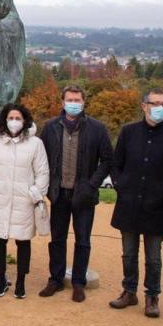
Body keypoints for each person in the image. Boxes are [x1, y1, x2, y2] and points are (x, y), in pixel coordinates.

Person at [108, 88, 163, 318]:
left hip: (156, 205)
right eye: (155, 103)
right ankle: (129, 291)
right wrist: (120, 185)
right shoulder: (128, 132)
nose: (160, 108)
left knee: (154, 256)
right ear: (144, 106)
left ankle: (152, 296)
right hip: (128, 202)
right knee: (129, 253)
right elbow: (115, 163)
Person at [38, 85, 114, 302]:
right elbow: (42, 158)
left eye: (77, 99)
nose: (73, 103)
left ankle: (79, 282)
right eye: (69, 99)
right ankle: (56, 279)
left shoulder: (97, 129)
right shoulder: (51, 126)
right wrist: (47, 187)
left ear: (84, 102)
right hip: (59, 193)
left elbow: (108, 159)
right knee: (57, 238)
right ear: (62, 102)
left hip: (84, 195)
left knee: (83, 240)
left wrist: (92, 184)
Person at [0, 104, 49, 299]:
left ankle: (21, 281)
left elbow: (42, 172)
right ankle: (0, 280)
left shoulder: (35, 144)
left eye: (18, 118)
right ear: (4, 119)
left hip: (24, 201)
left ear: (25, 120)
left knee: (23, 242)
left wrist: (35, 192)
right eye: (11, 117)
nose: (14, 121)